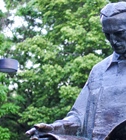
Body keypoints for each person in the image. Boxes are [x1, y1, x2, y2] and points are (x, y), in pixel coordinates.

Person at [26, 2, 126, 140]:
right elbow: (78, 118)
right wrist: (56, 128)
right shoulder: (99, 71)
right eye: (108, 35)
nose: (113, 41)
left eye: (119, 33)